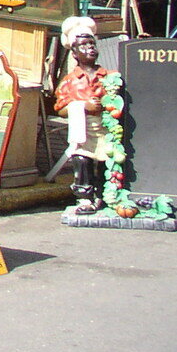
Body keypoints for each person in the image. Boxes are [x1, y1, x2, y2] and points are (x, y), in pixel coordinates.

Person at [53, 15, 119, 215]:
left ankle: (105, 195)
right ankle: (85, 198)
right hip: (85, 131)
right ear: (74, 52)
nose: (89, 48)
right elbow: (61, 109)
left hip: (107, 129)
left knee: (108, 162)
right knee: (83, 162)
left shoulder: (109, 76)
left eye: (92, 44)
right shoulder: (70, 81)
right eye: (83, 45)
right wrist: (83, 106)